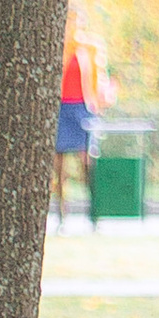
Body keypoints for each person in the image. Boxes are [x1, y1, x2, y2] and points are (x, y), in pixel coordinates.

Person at [53, 12, 101, 227]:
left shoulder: (89, 49)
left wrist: (97, 104)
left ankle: (94, 211)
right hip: (61, 107)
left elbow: (97, 78)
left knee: (87, 162)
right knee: (59, 165)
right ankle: (62, 215)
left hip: (81, 107)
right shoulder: (58, 48)